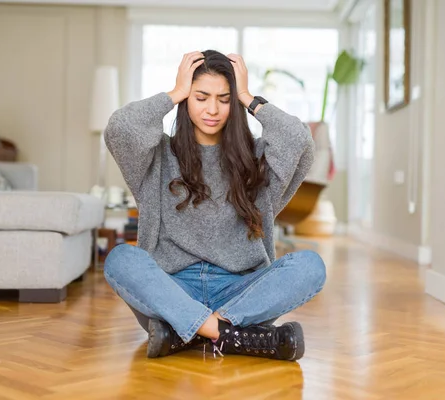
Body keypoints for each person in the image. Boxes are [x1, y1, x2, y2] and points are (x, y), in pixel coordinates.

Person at [103, 50, 326, 362]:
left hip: (240, 293)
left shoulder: (256, 159)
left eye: (224, 98)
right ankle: (231, 336)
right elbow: (121, 128)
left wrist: (249, 98)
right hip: (172, 293)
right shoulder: (158, 157)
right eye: (201, 97)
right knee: (121, 260)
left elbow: (298, 140)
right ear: (187, 99)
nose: (213, 109)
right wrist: (175, 93)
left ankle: (187, 334)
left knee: (311, 267)